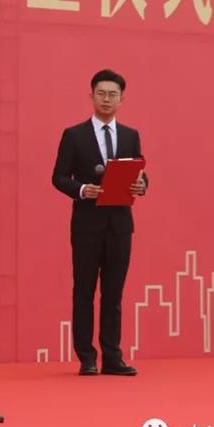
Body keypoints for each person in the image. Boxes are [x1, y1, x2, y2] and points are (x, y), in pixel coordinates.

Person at [51, 69, 147, 376]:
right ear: (91, 96)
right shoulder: (74, 135)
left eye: (112, 94)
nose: (107, 99)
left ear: (122, 99)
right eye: (101, 93)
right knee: (84, 290)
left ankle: (113, 356)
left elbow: (139, 171)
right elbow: (58, 177)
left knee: (113, 292)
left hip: (120, 224)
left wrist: (142, 185)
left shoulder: (130, 135)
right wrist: (81, 189)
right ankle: (86, 357)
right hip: (87, 225)